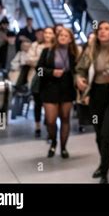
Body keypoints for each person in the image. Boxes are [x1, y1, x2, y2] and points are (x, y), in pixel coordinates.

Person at [76, 22, 109, 184]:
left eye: (107, 29)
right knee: (99, 134)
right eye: (100, 29)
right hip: (95, 95)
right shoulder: (91, 50)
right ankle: (104, 163)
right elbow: (80, 69)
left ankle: (104, 169)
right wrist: (79, 79)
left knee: (106, 133)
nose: (102, 31)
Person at [36, 27, 78, 158]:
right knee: (51, 120)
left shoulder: (74, 54)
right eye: (61, 35)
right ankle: (53, 141)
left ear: (70, 39)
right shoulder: (47, 51)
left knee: (65, 118)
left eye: (66, 36)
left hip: (67, 87)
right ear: (57, 37)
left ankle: (64, 147)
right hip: (50, 87)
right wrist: (51, 72)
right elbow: (39, 70)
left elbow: (78, 71)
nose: (63, 37)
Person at [26, 28, 50, 138]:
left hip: (49, 79)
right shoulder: (34, 45)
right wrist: (40, 62)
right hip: (36, 77)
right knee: (37, 103)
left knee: (49, 102)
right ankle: (37, 126)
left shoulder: (52, 47)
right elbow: (29, 60)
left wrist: (39, 62)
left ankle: (49, 123)